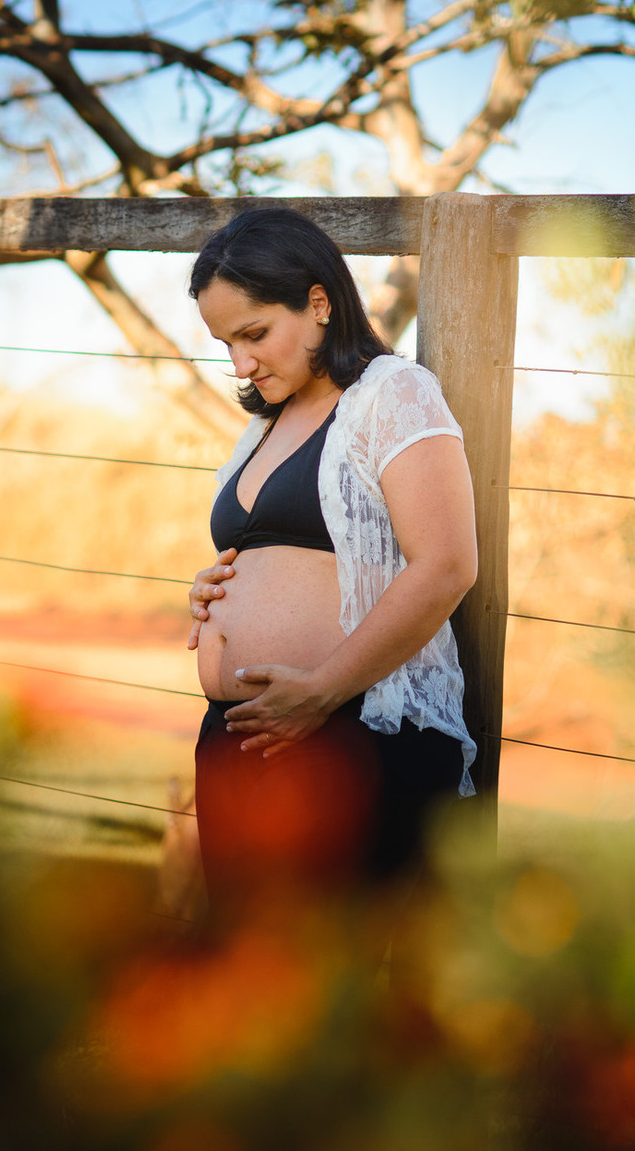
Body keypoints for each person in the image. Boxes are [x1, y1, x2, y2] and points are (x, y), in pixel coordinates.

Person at [186, 207, 477, 920]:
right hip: (241, 738)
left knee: (337, 984)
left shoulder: (392, 395)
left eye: (253, 334)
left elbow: (444, 565)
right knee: (247, 978)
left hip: (347, 735)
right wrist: (211, 591)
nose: (241, 363)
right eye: (226, 343)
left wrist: (319, 690)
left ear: (318, 302)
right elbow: (274, 557)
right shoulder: (264, 423)